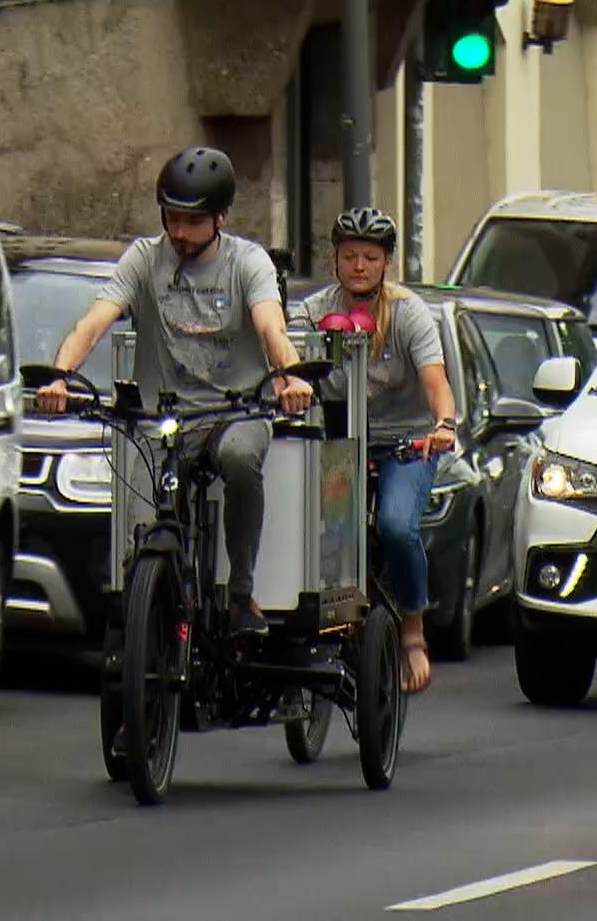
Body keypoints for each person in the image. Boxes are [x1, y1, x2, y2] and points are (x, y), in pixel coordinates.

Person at [36, 146, 315, 634]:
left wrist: (289, 375)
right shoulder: (144, 258)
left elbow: (272, 327)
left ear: (221, 217)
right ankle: (156, 596)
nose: (179, 232)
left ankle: (242, 594)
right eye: (171, 218)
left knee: (241, 462)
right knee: (153, 488)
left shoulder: (247, 262)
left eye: (193, 221)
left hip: (236, 413)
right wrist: (59, 375)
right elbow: (93, 322)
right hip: (165, 416)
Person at [299, 208, 457, 694]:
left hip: (406, 441)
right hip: (343, 438)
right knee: (332, 529)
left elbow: (436, 382)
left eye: (370, 257)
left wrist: (444, 424)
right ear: (336, 261)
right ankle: (335, 626)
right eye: (350, 257)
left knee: (394, 524)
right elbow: (286, 363)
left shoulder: (409, 313)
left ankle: (412, 626)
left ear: (386, 262)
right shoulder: (312, 312)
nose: (360, 266)